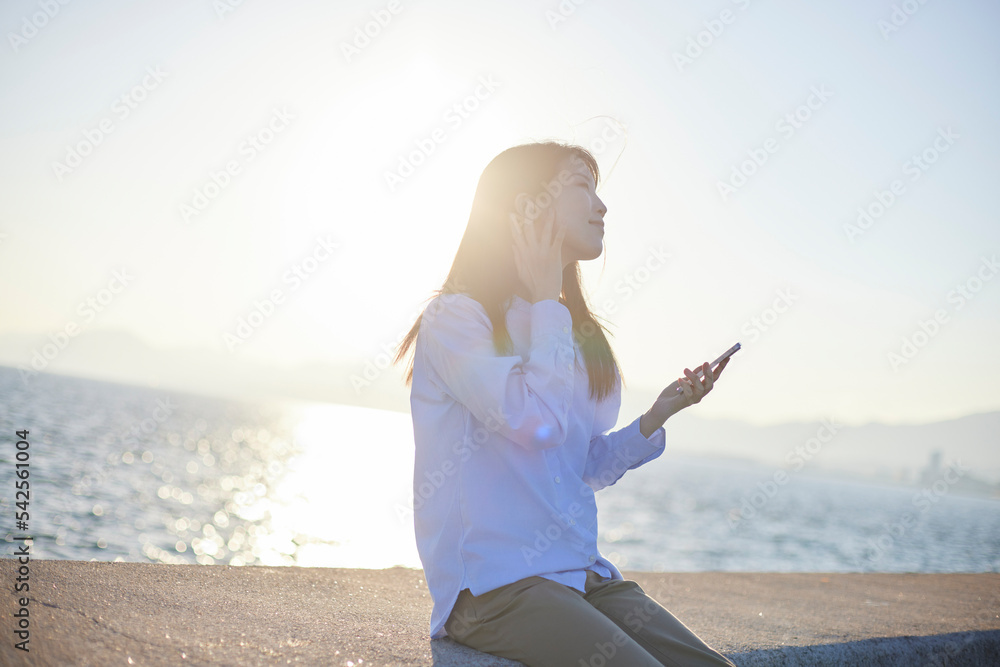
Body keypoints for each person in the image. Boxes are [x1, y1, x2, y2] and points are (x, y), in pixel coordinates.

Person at [393, 142, 736, 667]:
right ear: (529, 206)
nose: (602, 206)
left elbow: (576, 465)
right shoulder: (457, 320)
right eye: (582, 186)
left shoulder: (567, 331)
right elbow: (535, 424)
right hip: (495, 591)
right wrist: (543, 299)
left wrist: (657, 416)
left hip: (582, 575)